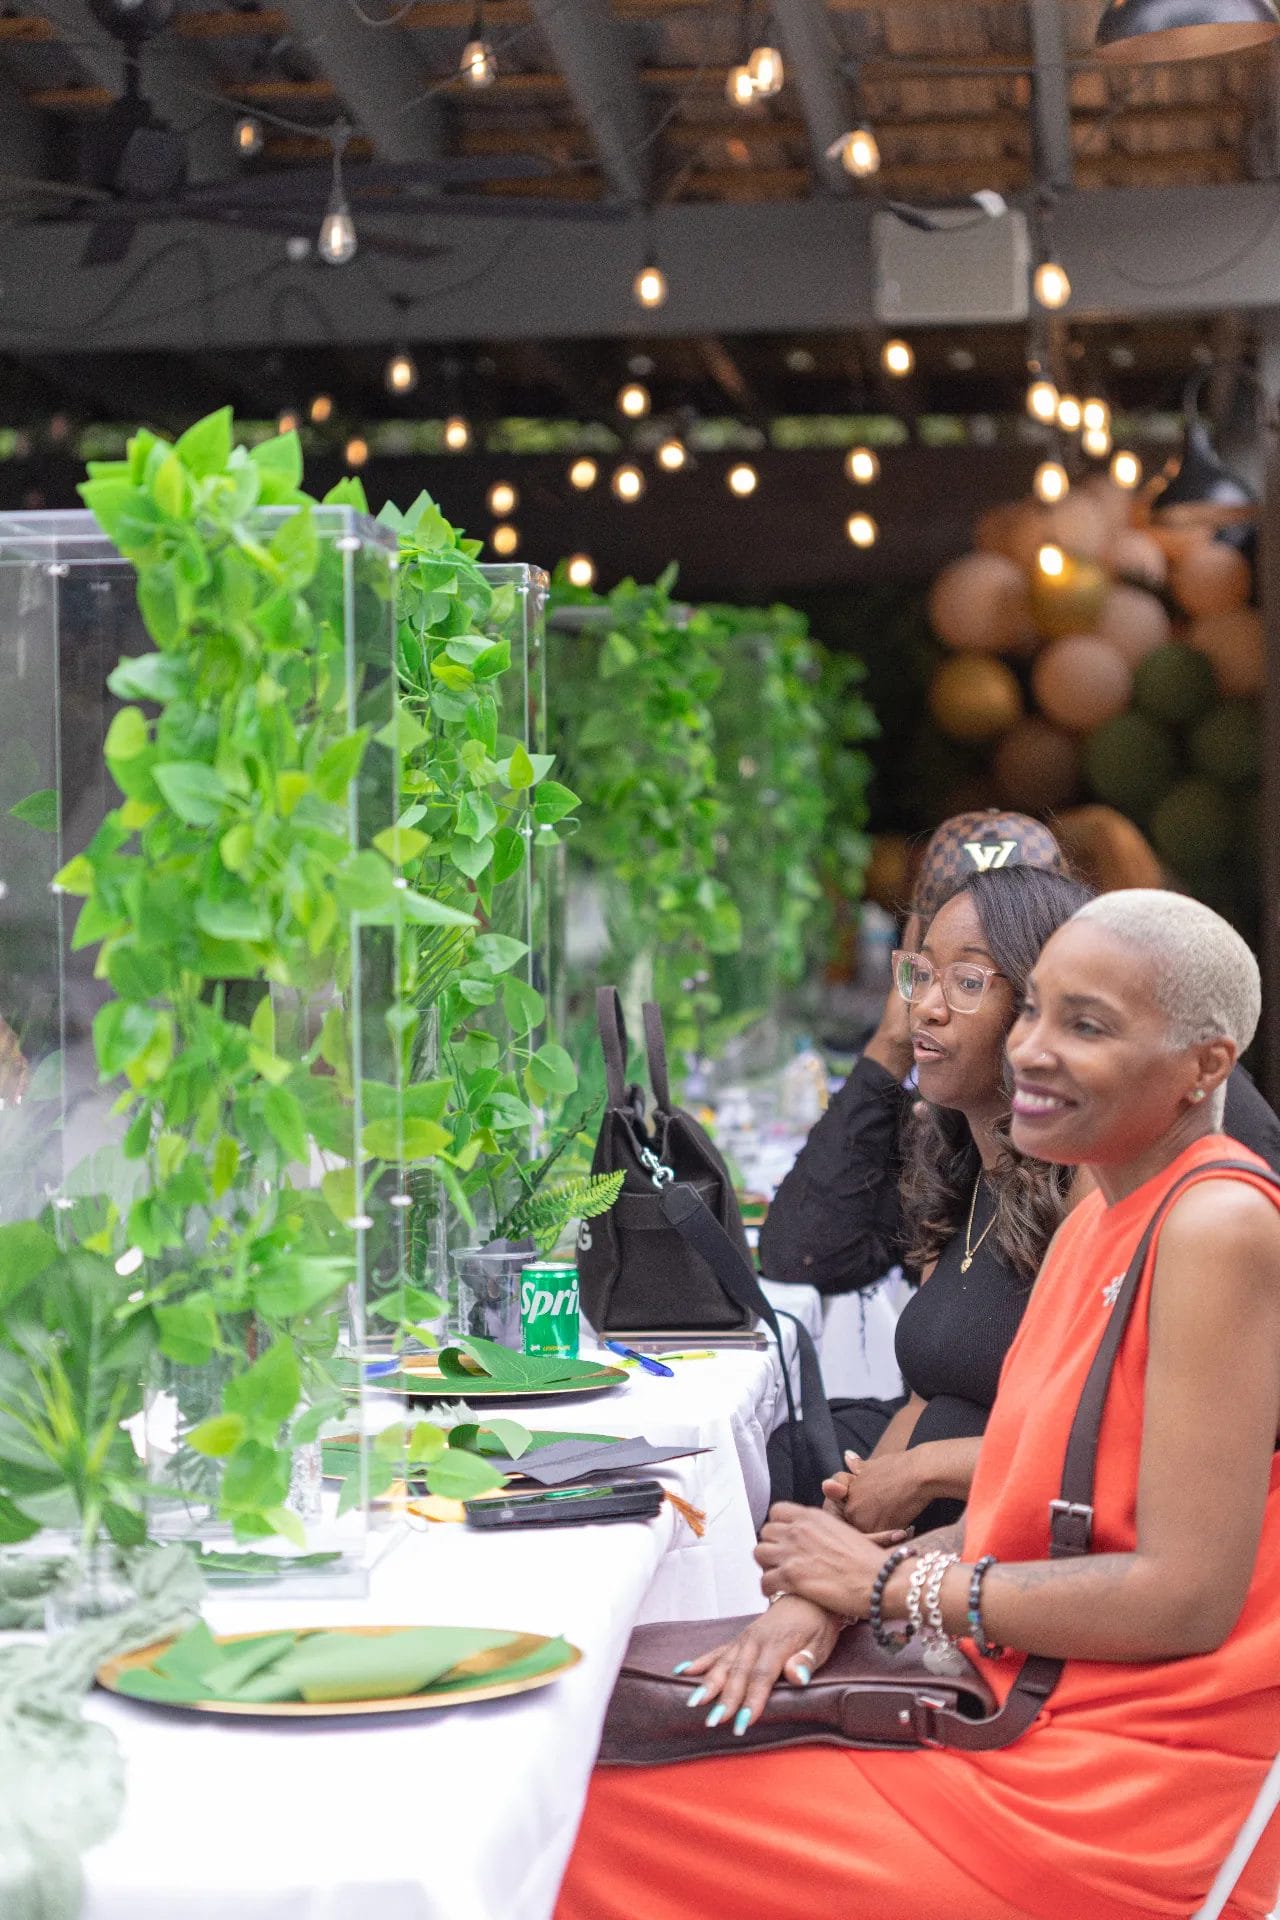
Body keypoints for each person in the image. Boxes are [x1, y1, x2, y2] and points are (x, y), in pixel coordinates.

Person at [556, 891, 1280, 1920]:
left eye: (1084, 1026)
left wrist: (892, 1587)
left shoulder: (1215, 1221)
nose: (1029, 1050)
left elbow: (1184, 1595)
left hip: (1101, 1789)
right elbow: (1013, 1514)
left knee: (573, 1823)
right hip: (1001, 1705)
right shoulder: (1092, 1213)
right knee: (579, 1761)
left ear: (1205, 1065)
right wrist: (825, 1595)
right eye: (1032, 1012)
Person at [760, 812, 1280, 1300]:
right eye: (928, 961)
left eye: (973, 976)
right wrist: (890, 1045)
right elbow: (808, 1256)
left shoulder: (1145, 1111)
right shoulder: (949, 1112)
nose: (934, 1003)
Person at [766, 863, 1093, 1533]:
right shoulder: (964, 1172)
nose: (927, 1007)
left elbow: (1106, 1449)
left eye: (967, 982)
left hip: (1015, 1570)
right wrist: (842, 1538)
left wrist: (918, 1481)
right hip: (934, 1554)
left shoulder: (1090, 1190)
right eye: (920, 975)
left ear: (1041, 1008)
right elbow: (922, 1404)